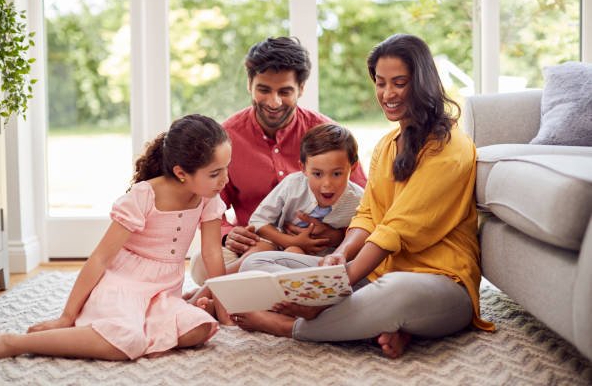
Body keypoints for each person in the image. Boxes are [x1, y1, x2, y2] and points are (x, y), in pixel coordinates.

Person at [229, 34, 495, 359]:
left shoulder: (450, 147)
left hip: (438, 283)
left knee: (395, 296)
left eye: (399, 82)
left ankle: (290, 326)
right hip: (377, 273)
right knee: (258, 262)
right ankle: (386, 328)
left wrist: (338, 282)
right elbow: (368, 214)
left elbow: (397, 227)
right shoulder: (386, 145)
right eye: (380, 83)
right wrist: (339, 256)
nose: (387, 94)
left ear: (422, 82)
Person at [0, 114, 233, 361]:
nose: (225, 180)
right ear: (181, 172)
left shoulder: (208, 198)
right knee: (127, 339)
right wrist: (67, 316)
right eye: (214, 173)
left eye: (226, 169)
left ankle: (138, 325)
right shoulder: (144, 196)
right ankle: (13, 343)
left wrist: (224, 308)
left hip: (164, 290)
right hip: (124, 283)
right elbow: (100, 258)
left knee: (200, 328)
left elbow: (211, 253)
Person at [188, 36, 367, 287]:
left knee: (362, 263)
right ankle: (262, 291)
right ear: (249, 84)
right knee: (199, 264)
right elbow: (205, 203)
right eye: (264, 90)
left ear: (301, 89)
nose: (274, 102)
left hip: (321, 250)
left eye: (285, 91)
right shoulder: (225, 139)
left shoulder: (329, 137)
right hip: (256, 245)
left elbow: (367, 209)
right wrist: (228, 235)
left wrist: (337, 235)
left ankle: (244, 293)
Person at [246, 123, 364, 260]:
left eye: (337, 174)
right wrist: (290, 242)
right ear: (303, 168)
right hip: (281, 244)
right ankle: (222, 279)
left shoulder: (359, 200)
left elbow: (365, 233)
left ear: (353, 167)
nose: (327, 184)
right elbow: (258, 221)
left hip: (328, 258)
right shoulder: (292, 185)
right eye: (318, 174)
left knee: (293, 252)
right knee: (274, 251)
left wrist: (338, 237)